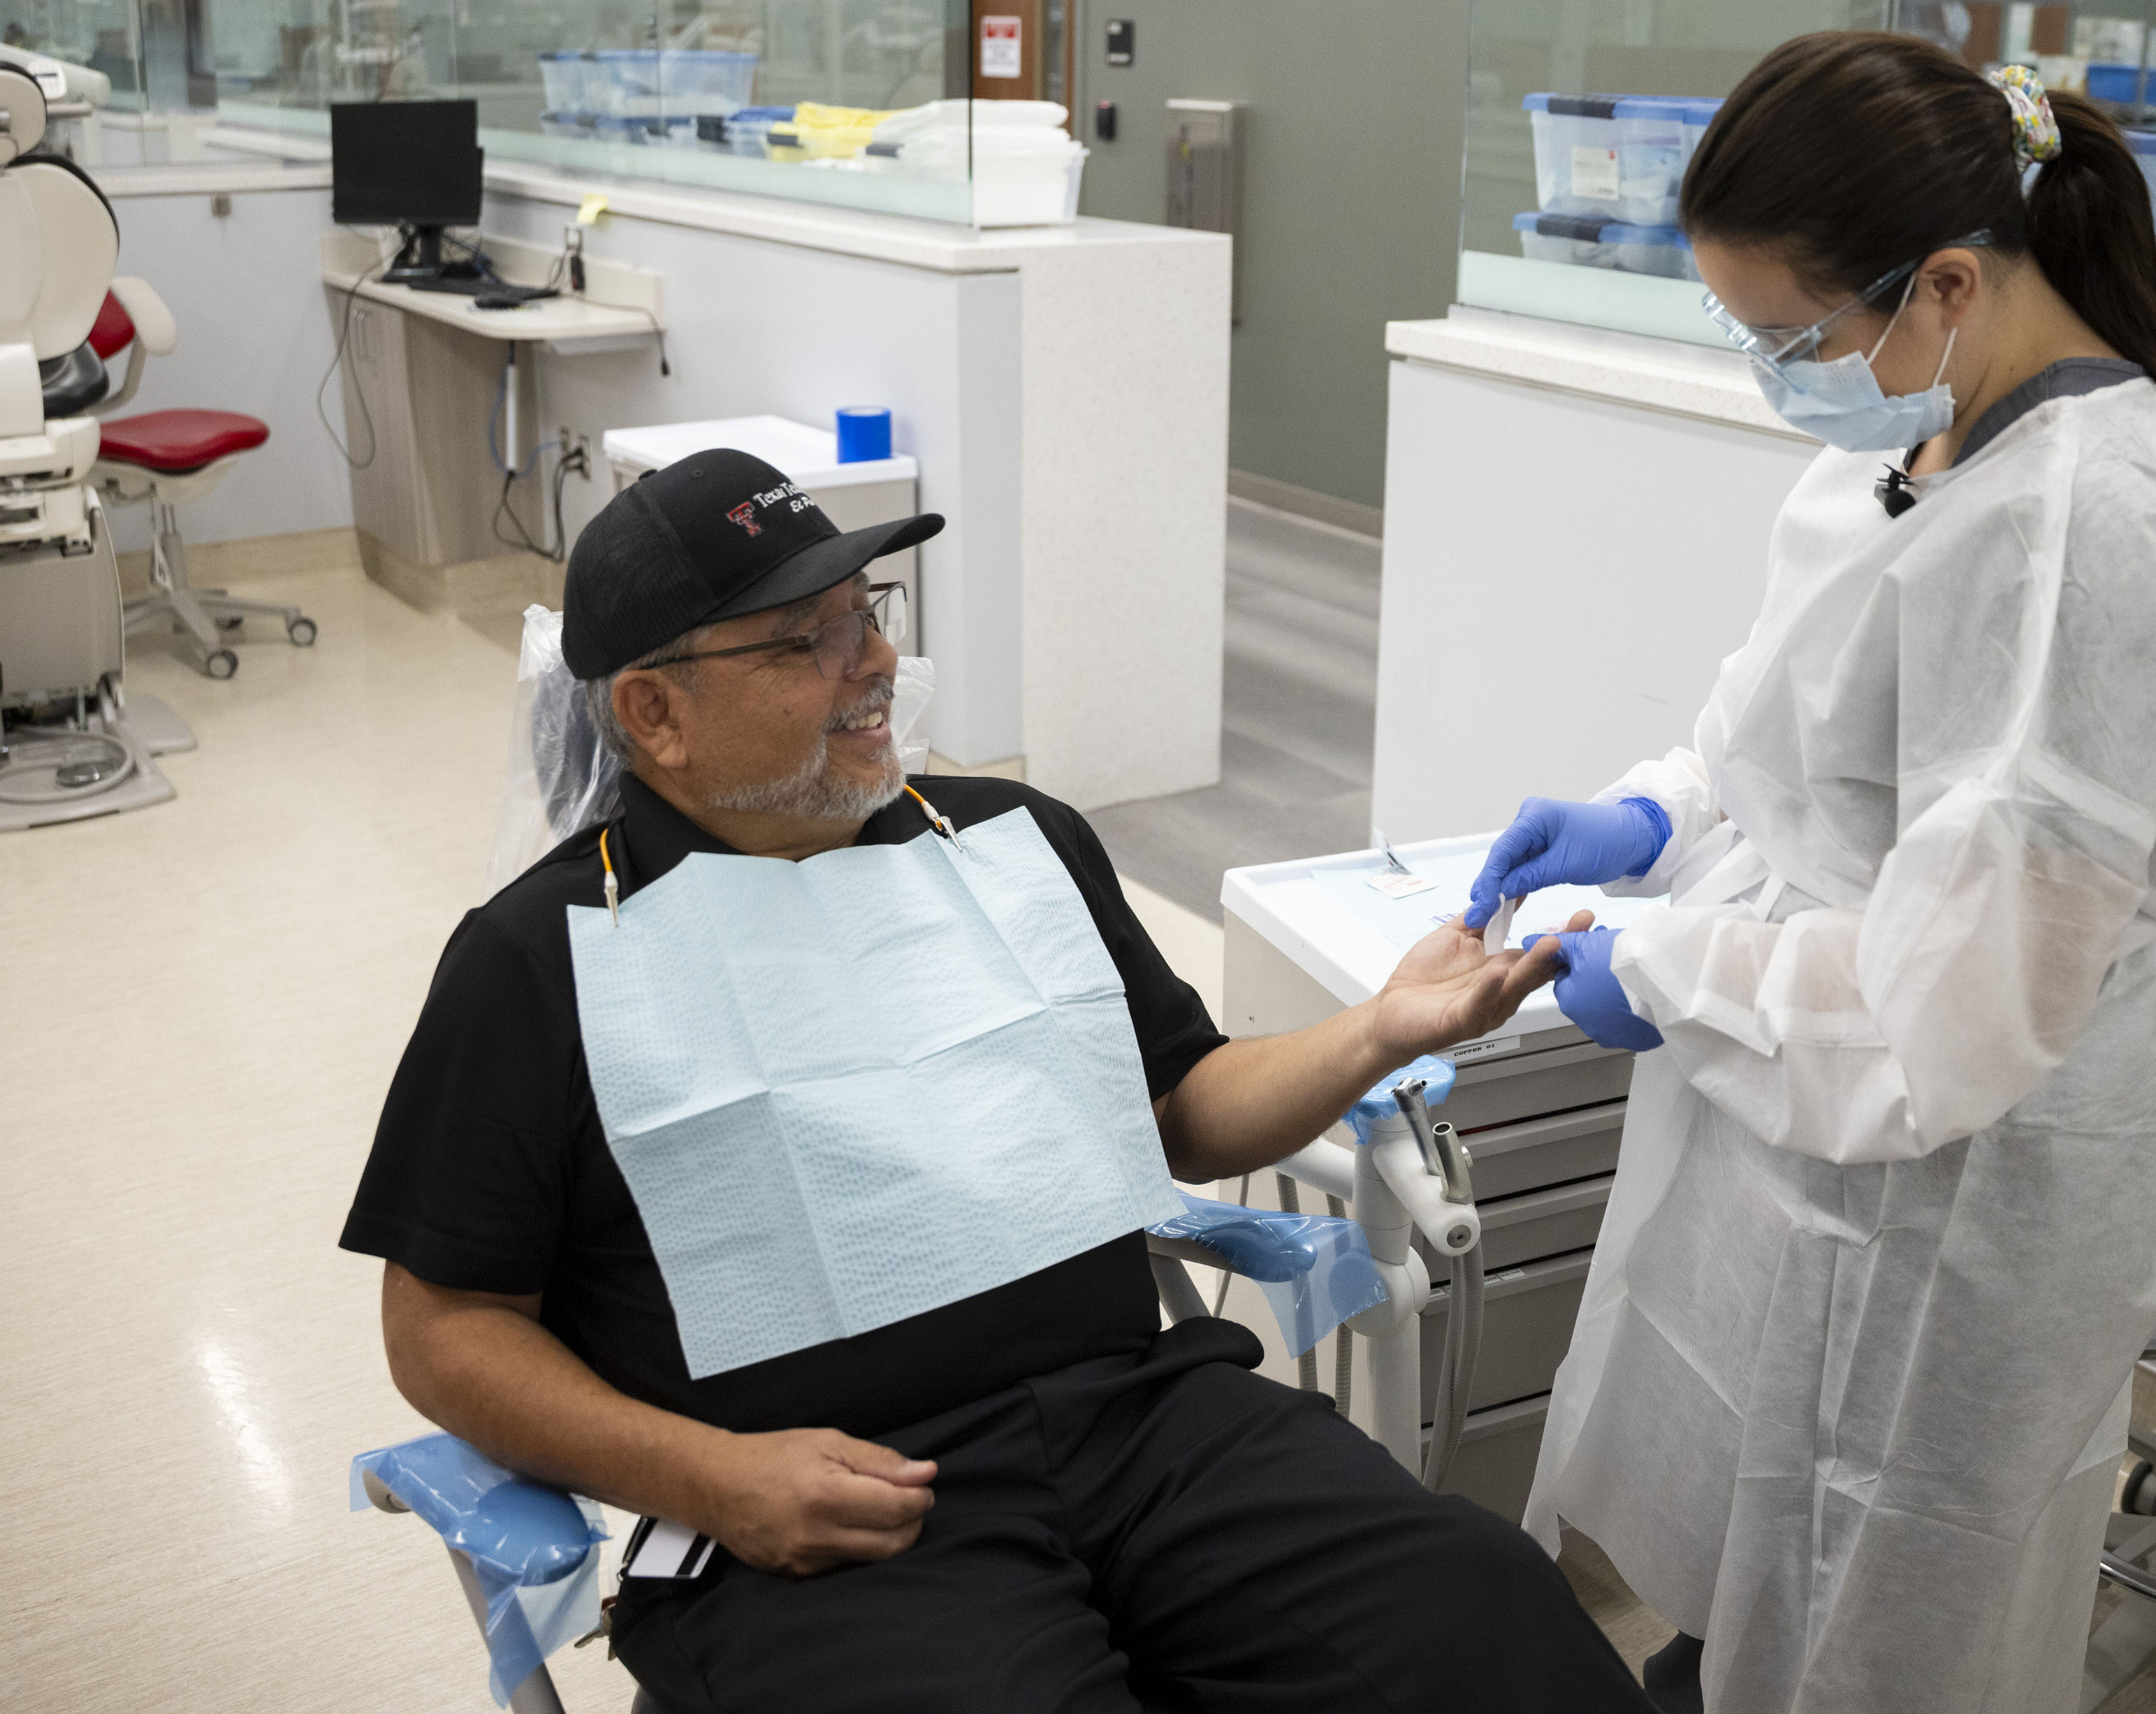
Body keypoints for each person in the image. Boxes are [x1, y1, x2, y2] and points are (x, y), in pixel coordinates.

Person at [342, 449, 1652, 1714]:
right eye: (807, 639)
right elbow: (442, 1325)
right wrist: (712, 1478)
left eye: (870, 615)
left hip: (1147, 1423)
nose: (873, 667)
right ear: (654, 712)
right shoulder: (541, 957)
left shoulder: (1013, 844)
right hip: (827, 1509)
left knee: (1489, 1614)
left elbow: (1183, 1107)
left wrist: (1380, 1027)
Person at [1464, 32, 2156, 1714]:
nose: (1778, 370)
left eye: (1789, 334)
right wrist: (1654, 815)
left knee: (1888, 1608)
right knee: (1766, 1556)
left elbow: (1954, 1016)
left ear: (1948, 285)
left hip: (1967, 1188)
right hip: (1809, 1127)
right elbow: (1801, 746)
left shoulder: (2080, 539)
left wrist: (1666, 966)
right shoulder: (1914, 431)